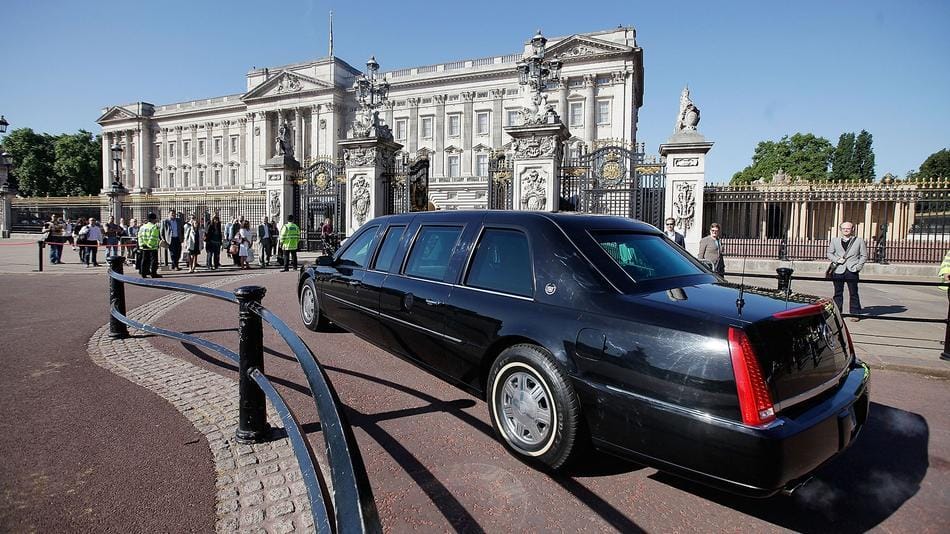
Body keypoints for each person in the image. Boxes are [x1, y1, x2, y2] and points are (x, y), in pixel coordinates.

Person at [827, 221, 867, 321]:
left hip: (852, 269)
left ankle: (855, 313)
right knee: (838, 292)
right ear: (840, 230)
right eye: (844, 228)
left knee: (853, 292)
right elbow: (829, 253)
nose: (846, 230)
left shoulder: (859, 241)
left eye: (848, 228)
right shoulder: (835, 241)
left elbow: (864, 255)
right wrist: (836, 260)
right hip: (839, 269)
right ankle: (837, 312)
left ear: (852, 229)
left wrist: (858, 266)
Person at [137, 212, 161, 278]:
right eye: (155, 219)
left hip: (144, 247)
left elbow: (139, 236)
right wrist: (149, 244)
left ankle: (143, 273)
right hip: (152, 247)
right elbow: (153, 237)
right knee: (154, 261)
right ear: (153, 219)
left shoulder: (142, 227)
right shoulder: (154, 227)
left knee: (144, 260)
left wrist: (142, 244)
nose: (156, 220)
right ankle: (153, 273)